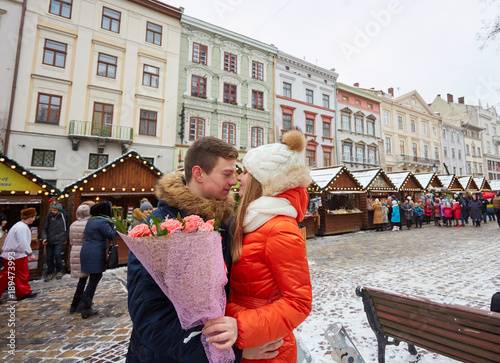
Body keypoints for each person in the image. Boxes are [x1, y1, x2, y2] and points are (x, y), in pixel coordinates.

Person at [127, 136, 276, 362]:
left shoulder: (225, 223)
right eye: (226, 174)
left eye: (235, 174)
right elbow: (150, 319)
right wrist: (231, 353)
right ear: (198, 173)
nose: (234, 181)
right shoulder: (157, 230)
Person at [212, 130, 312, 363]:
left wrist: (240, 326)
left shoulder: (279, 229)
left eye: (246, 172)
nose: (239, 178)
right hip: (247, 342)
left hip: (268, 349)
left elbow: (299, 302)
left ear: (263, 180)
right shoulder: (252, 222)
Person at [79, 201, 117, 319]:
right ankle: (85, 306)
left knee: (92, 278)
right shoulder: (102, 221)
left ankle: (83, 303)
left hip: (88, 250)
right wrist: (116, 226)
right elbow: (111, 234)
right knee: (94, 279)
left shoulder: (91, 220)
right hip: (95, 252)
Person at [0, 208, 38, 302]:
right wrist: (30, 253)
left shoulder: (20, 226)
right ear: (29, 217)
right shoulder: (21, 227)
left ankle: (23, 292)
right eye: (33, 217)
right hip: (14, 255)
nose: (34, 219)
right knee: (7, 275)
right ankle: (23, 292)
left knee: (21, 274)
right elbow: (23, 242)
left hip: (19, 254)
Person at [68, 201, 95, 314]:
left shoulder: (73, 224)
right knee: (90, 278)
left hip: (74, 251)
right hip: (86, 251)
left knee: (82, 279)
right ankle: (84, 302)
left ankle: (74, 304)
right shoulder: (89, 224)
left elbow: (71, 241)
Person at [41, 203, 70, 281]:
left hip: (60, 238)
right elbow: (44, 227)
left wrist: (65, 238)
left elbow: (67, 227)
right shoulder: (49, 216)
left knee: (57, 254)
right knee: (49, 256)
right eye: (52, 210)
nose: (52, 211)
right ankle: (50, 272)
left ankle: (59, 270)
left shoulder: (65, 216)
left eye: (54, 210)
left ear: (59, 211)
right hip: (50, 239)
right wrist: (44, 237)